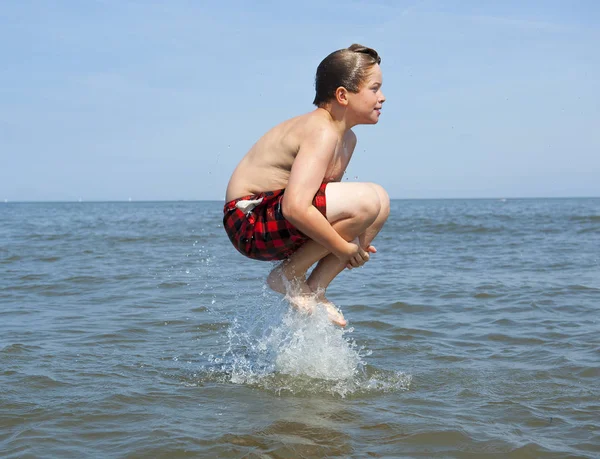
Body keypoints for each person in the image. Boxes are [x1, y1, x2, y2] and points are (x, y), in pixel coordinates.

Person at [223, 44, 390, 327]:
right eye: (374, 89)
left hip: (276, 215)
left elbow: (320, 205)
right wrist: (343, 247)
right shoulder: (321, 130)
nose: (382, 98)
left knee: (380, 202)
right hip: (249, 220)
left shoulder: (347, 139)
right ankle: (287, 276)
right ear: (342, 95)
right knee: (367, 201)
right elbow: (295, 207)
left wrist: (351, 238)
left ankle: (315, 289)